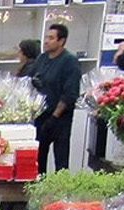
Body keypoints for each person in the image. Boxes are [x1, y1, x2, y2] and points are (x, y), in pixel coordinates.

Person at [32, 24, 82, 173]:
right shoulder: (42, 58)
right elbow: (32, 78)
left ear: (61, 41)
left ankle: (60, 193)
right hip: (41, 116)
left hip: (59, 119)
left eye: (51, 38)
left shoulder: (70, 62)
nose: (46, 41)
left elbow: (70, 94)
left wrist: (54, 117)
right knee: (38, 158)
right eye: (46, 37)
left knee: (60, 160)